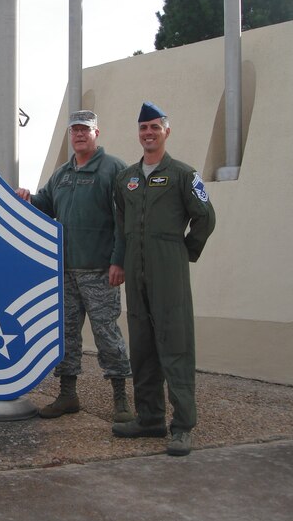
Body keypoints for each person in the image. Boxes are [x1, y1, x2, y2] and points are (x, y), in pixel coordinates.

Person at [16, 110, 135, 423]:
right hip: (66, 272)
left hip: (100, 271)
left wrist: (118, 261)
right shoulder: (62, 173)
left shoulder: (113, 168)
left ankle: (121, 398)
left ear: (97, 133)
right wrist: (28, 198)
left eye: (85, 130)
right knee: (66, 335)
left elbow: (125, 220)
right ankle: (68, 394)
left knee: (107, 335)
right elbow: (46, 205)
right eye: (74, 131)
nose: (79, 135)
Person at [112, 101, 215, 456]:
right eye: (143, 128)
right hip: (136, 272)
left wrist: (183, 251)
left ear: (166, 131)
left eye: (155, 127)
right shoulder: (126, 178)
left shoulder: (183, 175)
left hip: (168, 270)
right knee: (142, 348)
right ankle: (150, 418)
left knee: (176, 345)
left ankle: (183, 425)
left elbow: (205, 217)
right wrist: (120, 261)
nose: (148, 133)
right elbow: (121, 224)